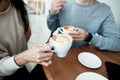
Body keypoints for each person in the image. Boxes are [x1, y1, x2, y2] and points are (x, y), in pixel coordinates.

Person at [0, 0, 53, 80]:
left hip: (20, 65)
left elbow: (27, 32)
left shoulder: (16, 4)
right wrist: (23, 57)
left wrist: (23, 56)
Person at [47, 0, 120, 51]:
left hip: (80, 54)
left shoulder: (104, 10)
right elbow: (53, 28)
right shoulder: (63, 2)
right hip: (55, 49)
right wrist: (51, 14)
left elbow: (117, 43)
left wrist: (89, 37)